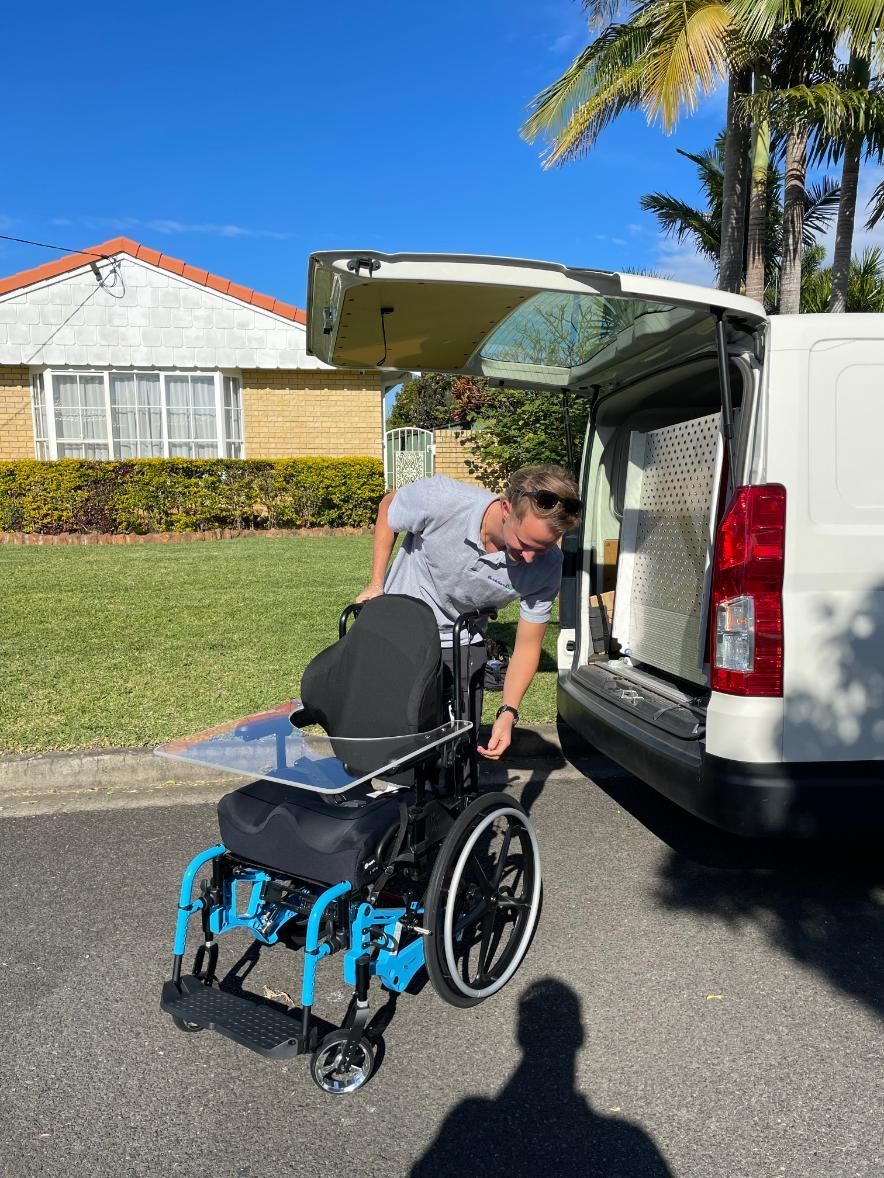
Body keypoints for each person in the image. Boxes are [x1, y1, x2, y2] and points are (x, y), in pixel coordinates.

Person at [355, 465, 581, 760]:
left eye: (542, 548)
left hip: (463, 642)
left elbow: (527, 645)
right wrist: (376, 582)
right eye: (524, 544)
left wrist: (508, 712)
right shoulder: (442, 500)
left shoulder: (547, 566)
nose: (529, 558)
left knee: (456, 755)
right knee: (391, 750)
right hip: (402, 633)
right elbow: (389, 506)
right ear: (506, 508)